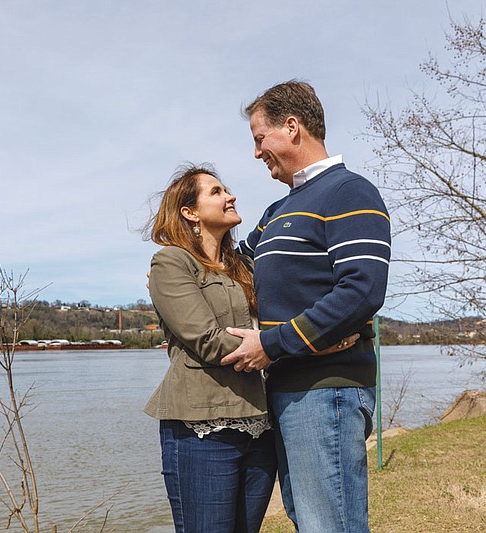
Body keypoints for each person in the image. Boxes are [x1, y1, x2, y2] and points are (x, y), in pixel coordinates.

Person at [221, 80, 391, 533]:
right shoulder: (278, 210)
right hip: (286, 389)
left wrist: (273, 345)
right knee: (307, 518)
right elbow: (235, 270)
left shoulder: (349, 192)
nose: (257, 153)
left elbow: (362, 291)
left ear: (292, 127)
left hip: (327, 390)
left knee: (328, 524)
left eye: (260, 138)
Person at [144, 164, 277, 533]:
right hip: (201, 430)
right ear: (190, 212)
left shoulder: (245, 267)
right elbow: (205, 339)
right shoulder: (171, 261)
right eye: (216, 192)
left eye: (227, 190)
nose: (230, 196)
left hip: (262, 427)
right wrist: (275, 345)